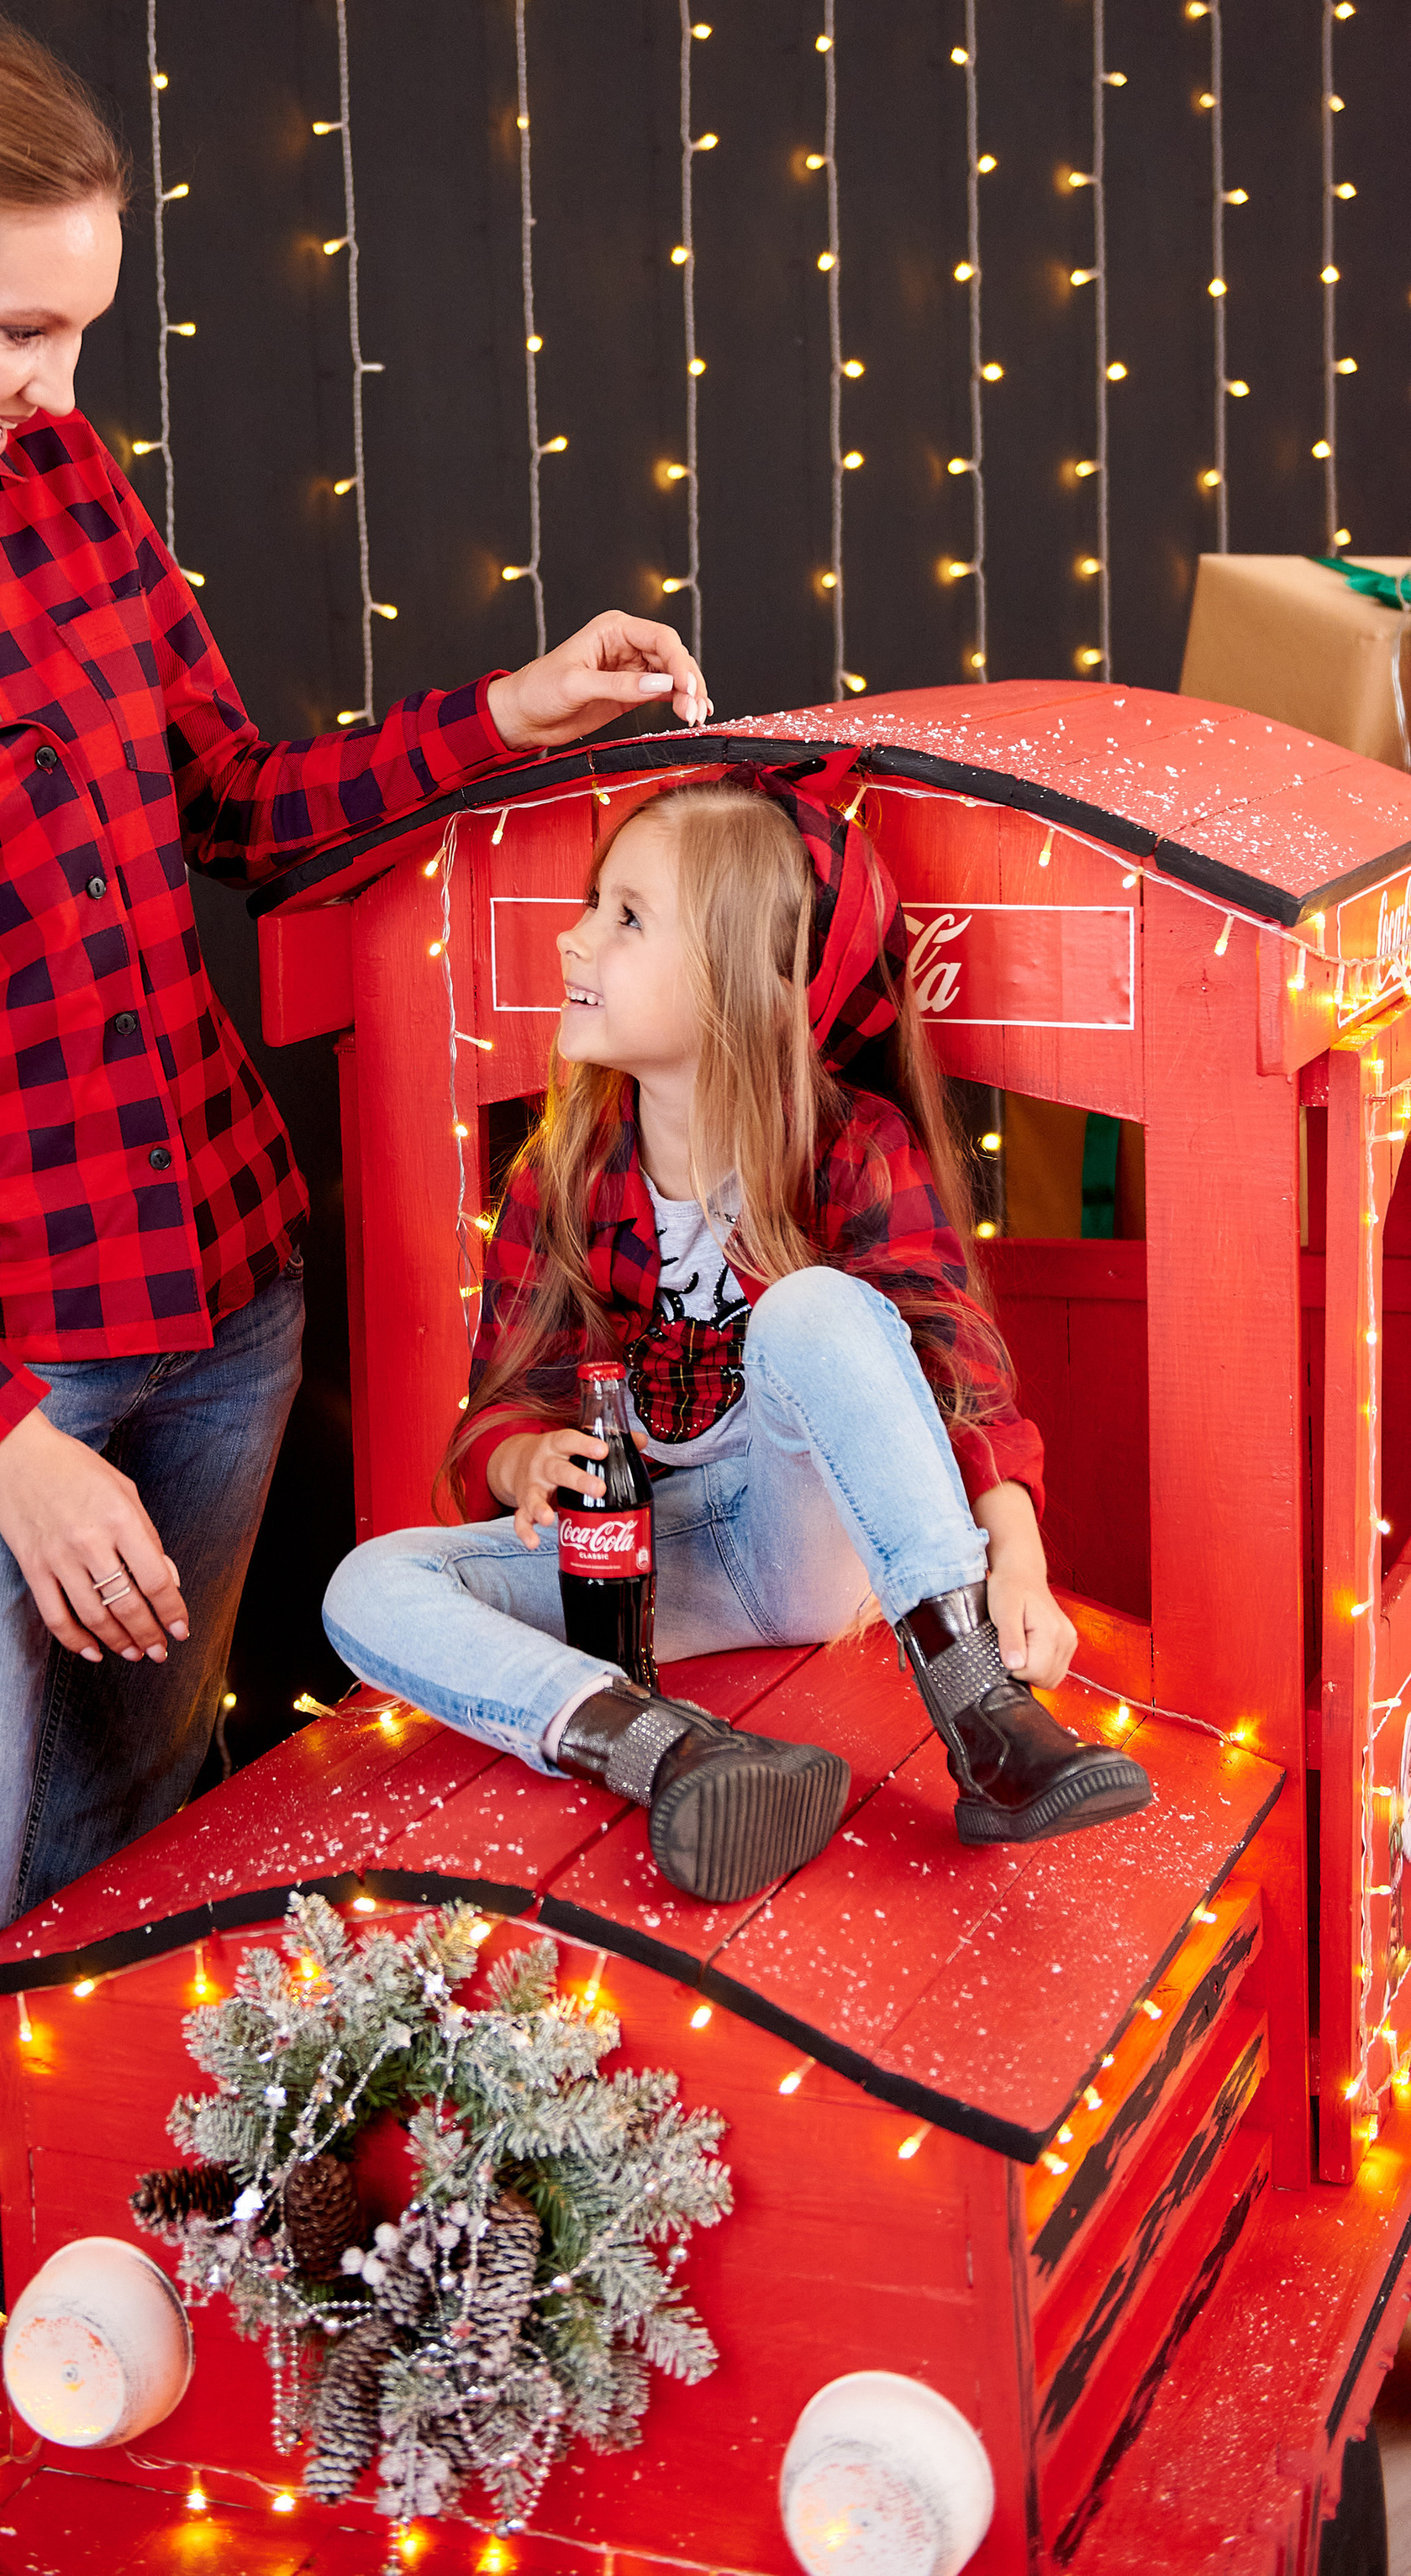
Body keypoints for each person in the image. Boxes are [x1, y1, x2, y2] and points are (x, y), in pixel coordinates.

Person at [0, 13, 712, 2576]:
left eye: (82, 337)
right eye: (22, 334)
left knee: (120, 1884)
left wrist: (498, 715)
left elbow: (238, 800)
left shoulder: (60, 494)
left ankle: (51, 2419)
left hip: (221, 1305)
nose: (61, 392)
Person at [324, 769, 1151, 1906]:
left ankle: (986, 1718)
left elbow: (953, 1373)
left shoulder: (853, 1146)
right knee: (365, 1583)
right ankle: (671, 1751)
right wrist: (524, 1458)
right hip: (652, 1570)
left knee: (815, 1305)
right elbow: (510, 1397)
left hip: (804, 1537)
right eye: (590, 904)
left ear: (755, 984)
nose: (573, 941)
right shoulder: (563, 1175)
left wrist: (1019, 1559)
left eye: (624, 918)